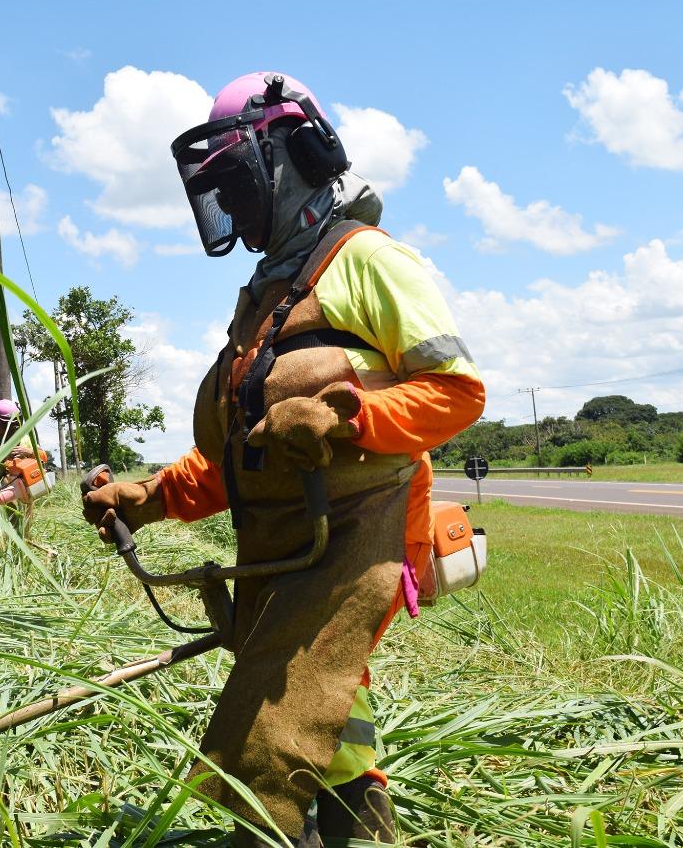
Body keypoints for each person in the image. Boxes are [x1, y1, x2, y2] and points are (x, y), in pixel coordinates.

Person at [82, 73, 485, 846]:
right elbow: (239, 457)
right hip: (284, 548)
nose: (229, 205)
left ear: (297, 153)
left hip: (353, 541)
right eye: (219, 190)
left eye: (236, 181)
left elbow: (457, 392)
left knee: (266, 740)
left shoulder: (367, 261)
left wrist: (347, 417)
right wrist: (149, 496)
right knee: (324, 722)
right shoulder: (267, 298)